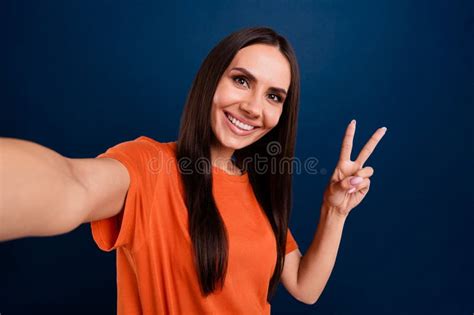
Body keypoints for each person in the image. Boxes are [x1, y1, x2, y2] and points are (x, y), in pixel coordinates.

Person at [0, 27, 387, 314]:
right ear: (210, 80)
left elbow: (305, 286)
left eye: (273, 96)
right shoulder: (149, 166)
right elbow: (72, 185)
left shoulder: (257, 193)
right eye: (241, 80)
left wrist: (335, 211)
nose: (254, 107)